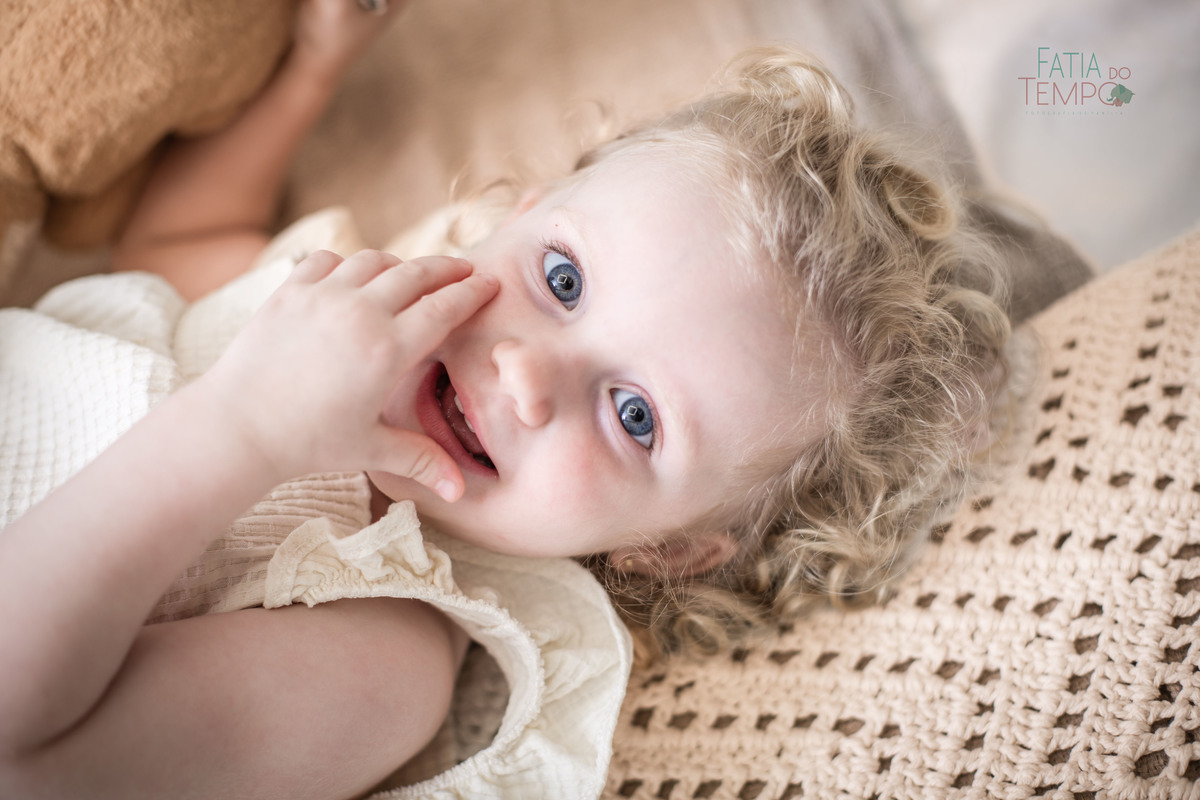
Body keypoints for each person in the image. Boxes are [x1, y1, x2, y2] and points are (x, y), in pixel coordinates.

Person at [0, 0, 1012, 796]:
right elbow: (173, 250)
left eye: (636, 416)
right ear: (519, 217)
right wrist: (313, 68)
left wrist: (244, 430)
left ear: (666, 546)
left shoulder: (381, 656)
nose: (527, 373)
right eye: (561, 278)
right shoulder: (343, 290)